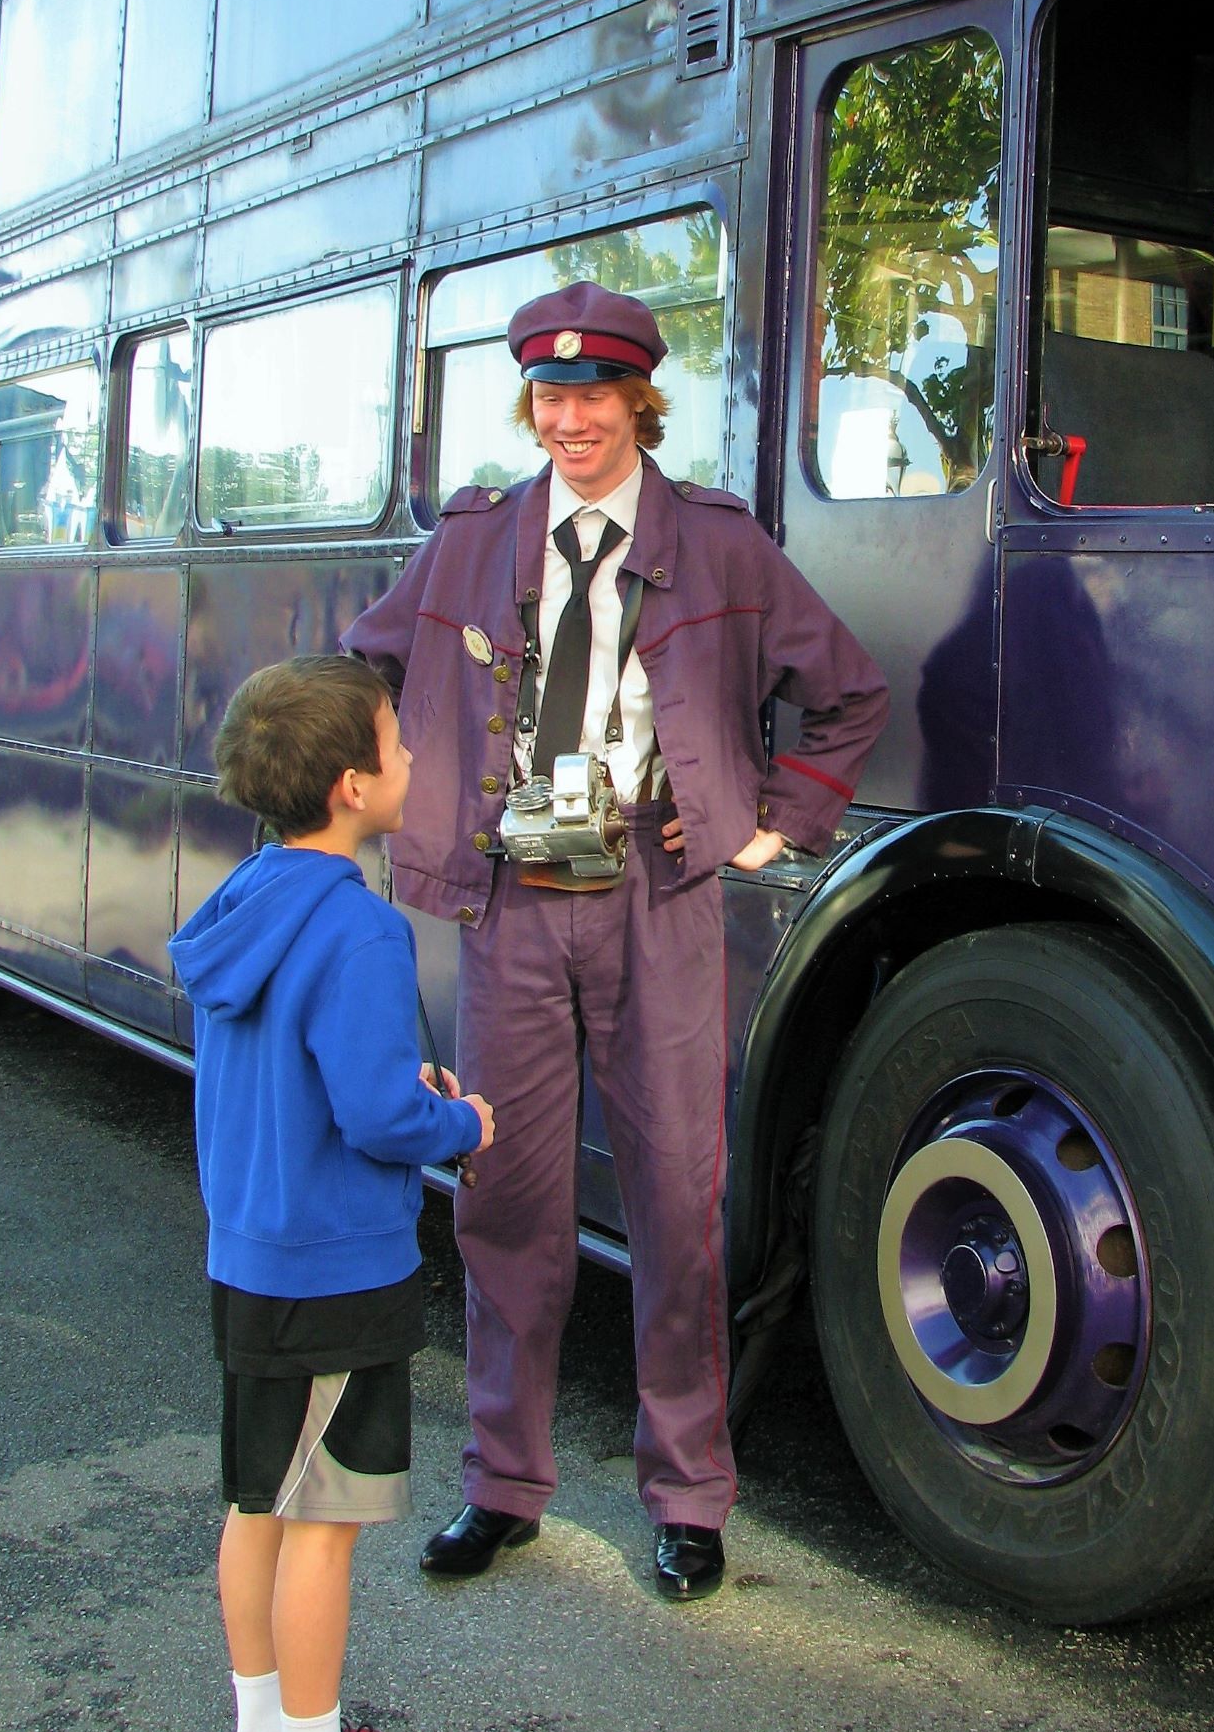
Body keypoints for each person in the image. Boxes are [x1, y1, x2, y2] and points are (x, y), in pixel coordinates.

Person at [343, 282, 888, 1602]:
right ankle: (501, 1486)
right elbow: (364, 666)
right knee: (506, 1200)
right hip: (515, 895)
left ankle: (689, 1496)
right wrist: (382, 810)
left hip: (659, 890)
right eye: (548, 395)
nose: (569, 419)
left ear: (639, 402)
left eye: (593, 396)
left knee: (675, 1204)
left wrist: (773, 825)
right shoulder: (473, 540)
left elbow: (847, 690)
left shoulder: (718, 543)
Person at [169, 654, 495, 1732]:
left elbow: (307, 1079)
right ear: (354, 786)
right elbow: (375, 1117)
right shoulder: (360, 930)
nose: (412, 758)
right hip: (338, 1266)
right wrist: (458, 1118)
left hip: (251, 1253)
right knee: (326, 1524)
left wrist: (396, 1089)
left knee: (256, 1503)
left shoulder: (241, 901)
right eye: (398, 743)